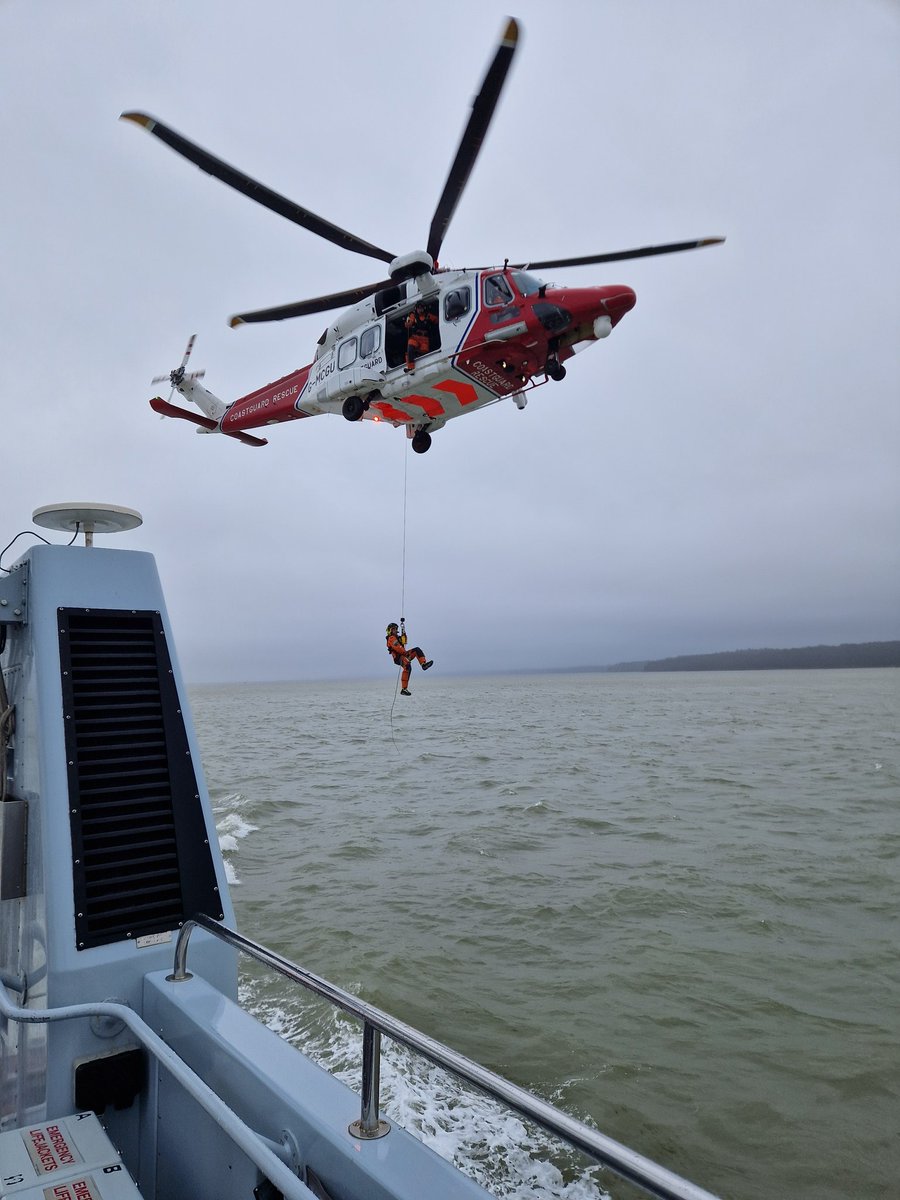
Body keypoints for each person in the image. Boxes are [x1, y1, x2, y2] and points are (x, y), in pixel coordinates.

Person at [385, 622, 433, 695]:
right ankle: (404, 689)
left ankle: (423, 664)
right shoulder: (391, 638)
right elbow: (398, 648)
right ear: (390, 630)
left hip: (404, 655)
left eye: (396, 629)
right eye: (393, 629)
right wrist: (405, 652)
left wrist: (404, 633)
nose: (395, 630)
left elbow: (404, 641)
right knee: (407, 666)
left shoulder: (397, 638)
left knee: (417, 650)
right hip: (398, 658)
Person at [404, 302, 438, 373]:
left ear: (424, 308)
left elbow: (437, 320)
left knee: (423, 352)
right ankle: (411, 368)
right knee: (410, 347)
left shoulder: (429, 316)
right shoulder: (413, 316)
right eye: (419, 308)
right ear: (416, 309)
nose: (420, 310)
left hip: (425, 339)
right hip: (415, 337)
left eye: (421, 308)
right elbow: (409, 323)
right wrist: (408, 324)